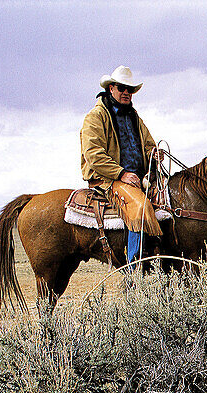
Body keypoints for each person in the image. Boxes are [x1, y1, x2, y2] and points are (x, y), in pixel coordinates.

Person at [80, 65, 162, 267]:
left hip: (138, 177)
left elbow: (149, 144)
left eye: (130, 89)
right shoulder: (95, 117)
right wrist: (121, 173)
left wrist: (153, 155)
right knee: (140, 207)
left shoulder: (134, 117)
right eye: (122, 88)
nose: (126, 92)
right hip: (108, 179)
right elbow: (94, 155)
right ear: (111, 88)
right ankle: (134, 266)